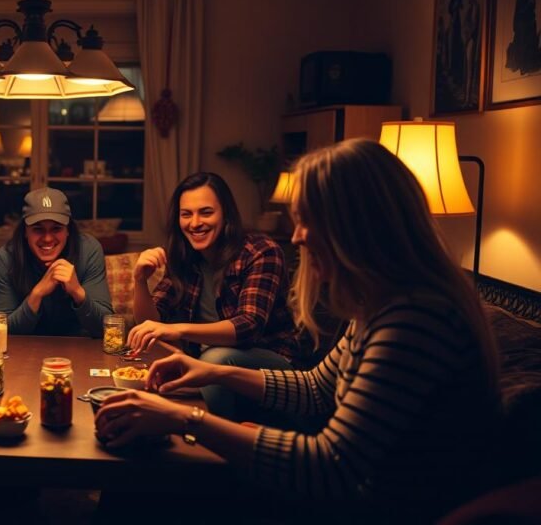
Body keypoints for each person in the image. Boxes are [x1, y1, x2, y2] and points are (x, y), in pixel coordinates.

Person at [95, 140, 500, 521]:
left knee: (148, 485)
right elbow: (315, 389)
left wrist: (186, 418)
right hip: (351, 492)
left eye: (309, 220)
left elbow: (332, 466)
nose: (297, 235)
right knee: (143, 473)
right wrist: (213, 373)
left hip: (375, 510)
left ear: (355, 224)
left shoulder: (414, 320)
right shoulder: (378, 307)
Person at [126, 172, 300, 421]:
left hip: (272, 359)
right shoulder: (184, 256)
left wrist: (178, 330)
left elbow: (248, 326)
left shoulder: (261, 251)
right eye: (186, 214)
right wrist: (139, 280)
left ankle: (213, 451)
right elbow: (150, 322)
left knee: (215, 357)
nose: (195, 223)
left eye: (206, 212)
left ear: (226, 214)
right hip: (208, 358)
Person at [0, 187, 113, 337]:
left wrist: (77, 292)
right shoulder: (6, 258)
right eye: (38, 229)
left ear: (68, 230)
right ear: (25, 231)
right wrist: (37, 294)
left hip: (79, 347)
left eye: (56, 229)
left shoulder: (88, 250)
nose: (48, 238)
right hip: (26, 350)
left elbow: (108, 328)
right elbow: (5, 331)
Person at [506, 0, 541, 75]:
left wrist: (532, 1)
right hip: (522, 23)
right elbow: (520, 10)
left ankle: (528, 64)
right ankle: (522, 65)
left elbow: (533, 6)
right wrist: (528, 3)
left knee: (530, 42)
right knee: (523, 43)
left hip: (529, 22)